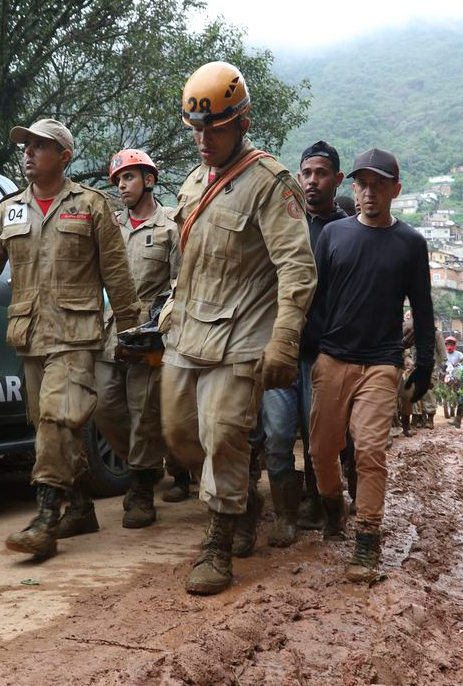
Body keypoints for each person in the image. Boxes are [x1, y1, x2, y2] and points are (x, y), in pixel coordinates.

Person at [0, 119, 142, 561]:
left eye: (39, 146)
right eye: (25, 145)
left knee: (57, 418)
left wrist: (131, 332)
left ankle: (45, 519)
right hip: (31, 336)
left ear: (64, 156)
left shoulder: (91, 206)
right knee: (52, 423)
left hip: (77, 335)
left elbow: (118, 275)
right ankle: (81, 507)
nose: (28, 152)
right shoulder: (9, 211)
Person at [161, 61, 317, 595]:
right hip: (188, 331)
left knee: (224, 434)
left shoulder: (270, 184)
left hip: (244, 336)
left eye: (216, 128)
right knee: (182, 436)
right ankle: (244, 496)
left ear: (242, 123)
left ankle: (218, 544)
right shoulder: (190, 184)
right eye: (197, 129)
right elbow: (187, 261)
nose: (204, 139)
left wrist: (283, 342)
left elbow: (298, 269)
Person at [308, 148, 435, 583]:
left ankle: (367, 539)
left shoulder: (411, 243)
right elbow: (315, 299)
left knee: (369, 450)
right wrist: (308, 347)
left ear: (395, 190)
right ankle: (332, 506)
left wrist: (424, 368)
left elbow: (422, 307)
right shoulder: (334, 236)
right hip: (332, 360)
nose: (369, 192)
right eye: (362, 184)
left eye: (379, 184)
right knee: (322, 452)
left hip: (382, 364)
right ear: (353, 188)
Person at [256, 140, 348, 551]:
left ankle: (319, 502)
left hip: (323, 353)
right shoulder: (284, 223)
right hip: (281, 347)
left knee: (319, 438)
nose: (312, 181)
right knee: (276, 434)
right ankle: (286, 513)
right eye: (306, 173)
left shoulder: (348, 233)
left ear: (337, 180)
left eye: (321, 173)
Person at [92, 149, 181, 529]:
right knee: (105, 406)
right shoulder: (111, 228)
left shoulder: (171, 228)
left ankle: (142, 489)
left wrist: (164, 323)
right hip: (112, 328)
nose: (122, 186)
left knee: (144, 410)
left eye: (129, 177)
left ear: (148, 179)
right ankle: (147, 461)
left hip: (149, 333)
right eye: (118, 180)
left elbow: (180, 282)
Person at [443, 335, 463, 427]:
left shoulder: (458, 354)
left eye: (451, 344)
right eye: (448, 344)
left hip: (456, 373)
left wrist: (460, 365)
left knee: (459, 392)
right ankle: (445, 402)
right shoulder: (444, 353)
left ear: (454, 344)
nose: (449, 346)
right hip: (446, 373)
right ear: (445, 344)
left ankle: (456, 406)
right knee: (443, 388)